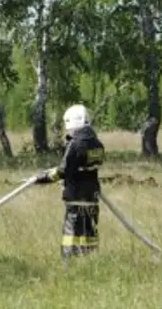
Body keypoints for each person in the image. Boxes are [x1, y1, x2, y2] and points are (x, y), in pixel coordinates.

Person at [35, 104, 105, 265]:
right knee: (90, 231)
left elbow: (63, 171)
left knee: (71, 234)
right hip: (92, 197)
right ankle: (91, 262)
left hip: (76, 197)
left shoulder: (75, 144)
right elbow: (85, 167)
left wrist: (43, 178)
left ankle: (68, 264)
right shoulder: (98, 144)